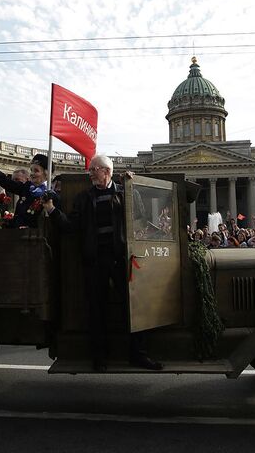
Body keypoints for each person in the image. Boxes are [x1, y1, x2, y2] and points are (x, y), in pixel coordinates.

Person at [42, 154, 162, 372]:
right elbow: (71, 227)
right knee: (97, 311)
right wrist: (52, 210)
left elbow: (140, 217)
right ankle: (99, 357)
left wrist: (131, 187)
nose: (90, 173)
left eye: (93, 169)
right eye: (90, 170)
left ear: (106, 171)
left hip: (121, 259)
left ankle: (138, 355)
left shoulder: (123, 192)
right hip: (95, 260)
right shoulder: (84, 198)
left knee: (135, 309)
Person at [0, 154, 49, 228]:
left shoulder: (49, 193)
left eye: (36, 171)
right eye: (31, 170)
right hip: (17, 234)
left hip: (33, 236)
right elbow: (6, 182)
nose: (32, 174)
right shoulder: (26, 187)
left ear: (46, 173)